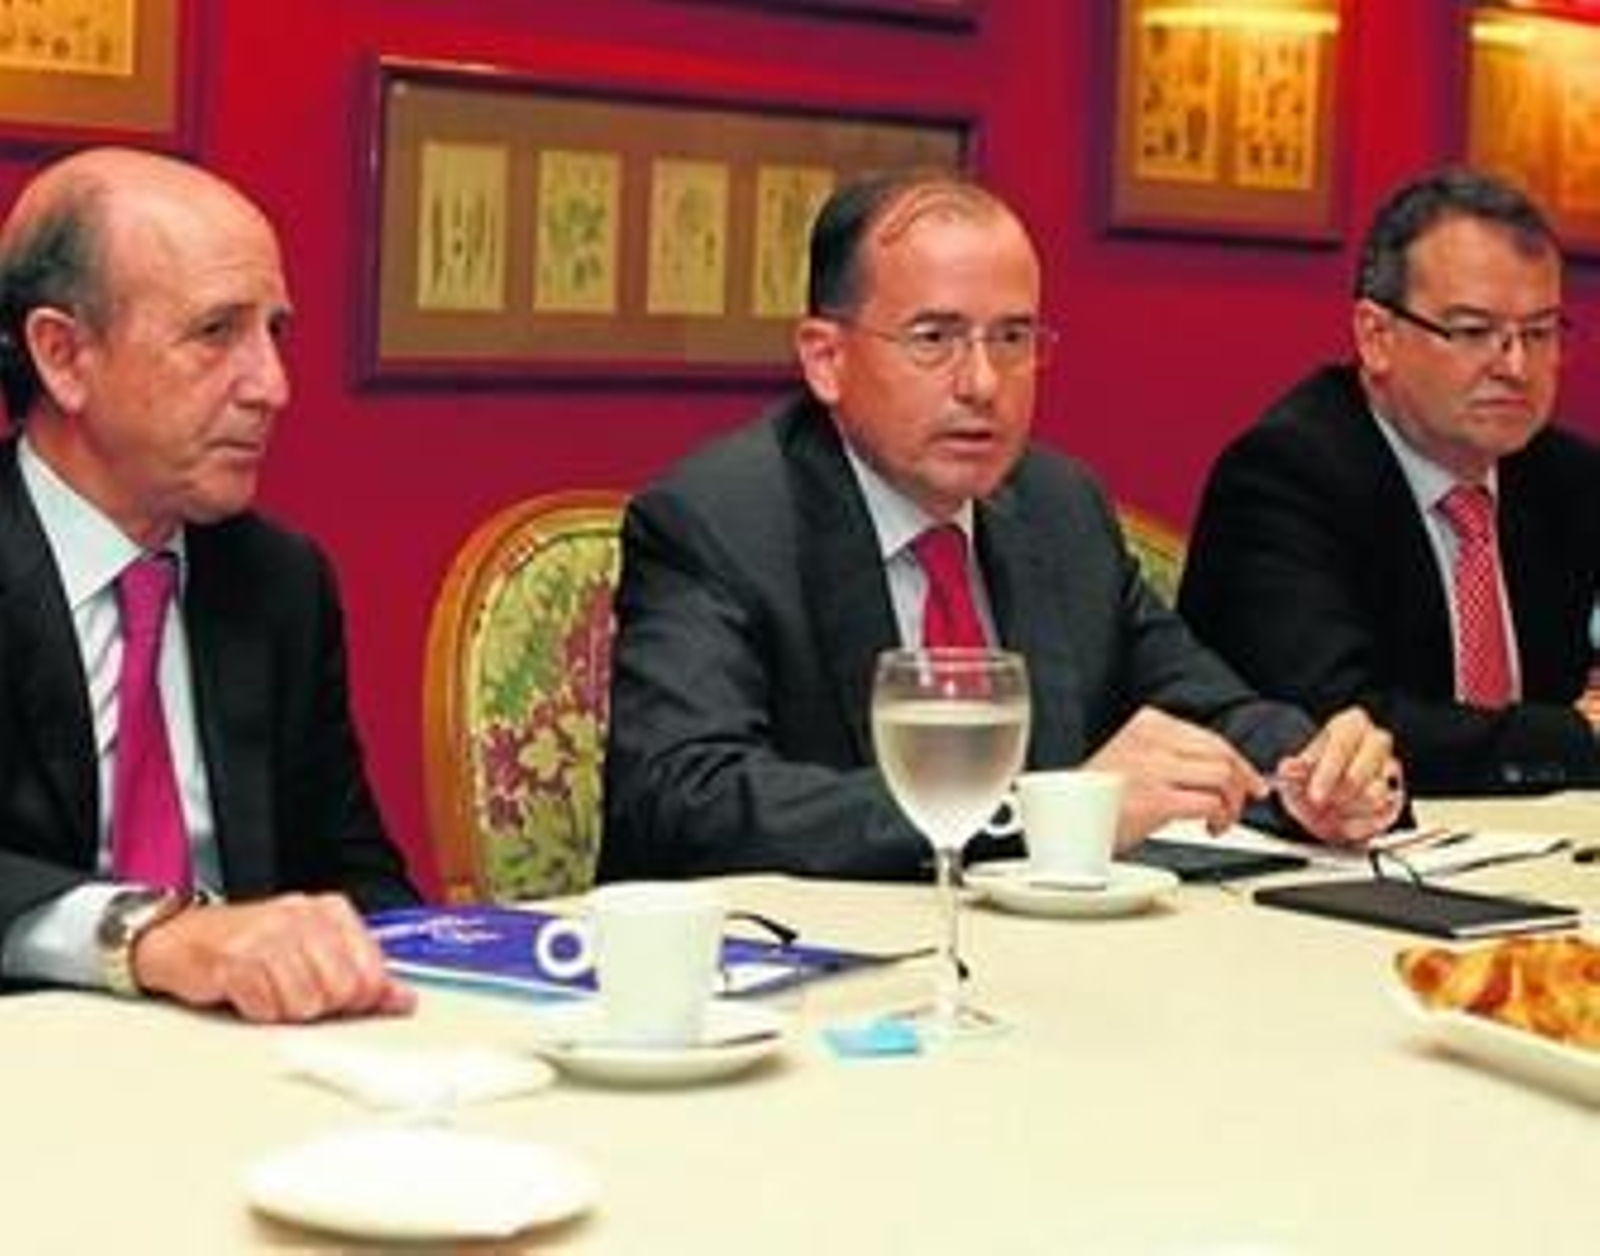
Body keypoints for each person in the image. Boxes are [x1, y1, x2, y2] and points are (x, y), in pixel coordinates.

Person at [600, 171, 1403, 882]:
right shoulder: (720, 519)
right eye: (934, 339)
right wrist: (1043, 815)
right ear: (825, 359)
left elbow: (1205, 705)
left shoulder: (1058, 509)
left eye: (1013, 338)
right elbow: (688, 800)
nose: (982, 383)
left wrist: (1316, 771)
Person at [0, 147, 418, 1022]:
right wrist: (152, 938)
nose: (273, 386)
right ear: (63, 356)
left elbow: (356, 879)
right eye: (216, 332)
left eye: (276, 333)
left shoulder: (279, 584)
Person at [1179, 168, 1600, 796]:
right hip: (1339, 857)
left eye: (1538, 333)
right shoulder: (1284, 476)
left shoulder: (1569, 477)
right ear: (1376, 337)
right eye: (1472, 332)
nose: (1515, 366)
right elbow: (1336, 724)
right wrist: (1577, 737)